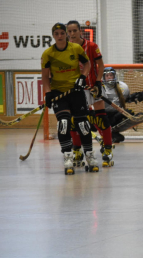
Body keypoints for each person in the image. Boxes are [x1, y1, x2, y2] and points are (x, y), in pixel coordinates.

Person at [41, 22, 99, 174]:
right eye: (56, 34)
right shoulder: (48, 54)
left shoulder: (76, 48)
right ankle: (68, 156)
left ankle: (90, 156)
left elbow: (87, 64)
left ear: (66, 34)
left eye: (62, 33)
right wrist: (47, 93)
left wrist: (82, 77)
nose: (60, 36)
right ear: (53, 36)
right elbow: (45, 77)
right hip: (59, 94)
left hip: (76, 92)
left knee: (83, 125)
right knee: (64, 123)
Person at [66, 20, 113, 167]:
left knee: (101, 120)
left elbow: (101, 66)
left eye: (75, 31)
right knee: (75, 121)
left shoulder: (91, 46)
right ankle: (77, 151)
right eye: (70, 31)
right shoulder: (66, 49)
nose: (72, 34)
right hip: (77, 90)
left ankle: (107, 150)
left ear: (80, 31)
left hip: (93, 87)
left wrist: (98, 82)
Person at [101, 67, 143, 143]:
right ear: (104, 77)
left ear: (114, 76)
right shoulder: (100, 88)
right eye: (107, 75)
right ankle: (110, 131)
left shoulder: (122, 87)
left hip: (116, 115)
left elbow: (128, 99)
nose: (109, 77)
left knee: (129, 112)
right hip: (103, 116)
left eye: (111, 75)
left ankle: (113, 132)